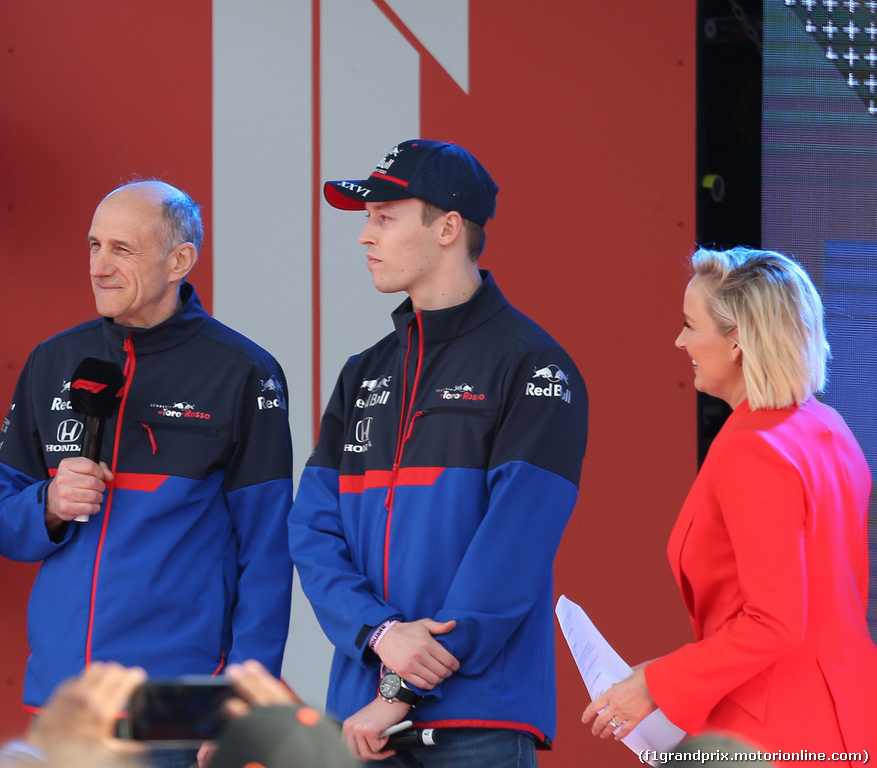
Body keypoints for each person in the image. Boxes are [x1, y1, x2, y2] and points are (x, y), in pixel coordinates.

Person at [288, 140, 588, 766]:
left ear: (448, 228)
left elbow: (514, 546)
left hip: (476, 719)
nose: (365, 237)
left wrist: (402, 687)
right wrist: (379, 634)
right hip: (361, 722)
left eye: (385, 218)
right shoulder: (361, 372)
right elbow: (312, 530)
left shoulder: (534, 365)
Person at [0, 180, 294, 768]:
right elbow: (4, 524)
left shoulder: (243, 371)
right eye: (94, 245)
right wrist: (48, 503)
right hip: (65, 696)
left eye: (121, 249)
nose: (99, 266)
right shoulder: (54, 359)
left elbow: (267, 553)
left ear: (179, 259)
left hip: (177, 698)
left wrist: (243, 698)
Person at [582, 247, 877, 759]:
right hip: (851, 715)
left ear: (737, 338)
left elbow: (775, 621)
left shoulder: (752, 448)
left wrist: (657, 682)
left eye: (690, 325)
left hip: (776, 729)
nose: (680, 341)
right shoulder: (829, 428)